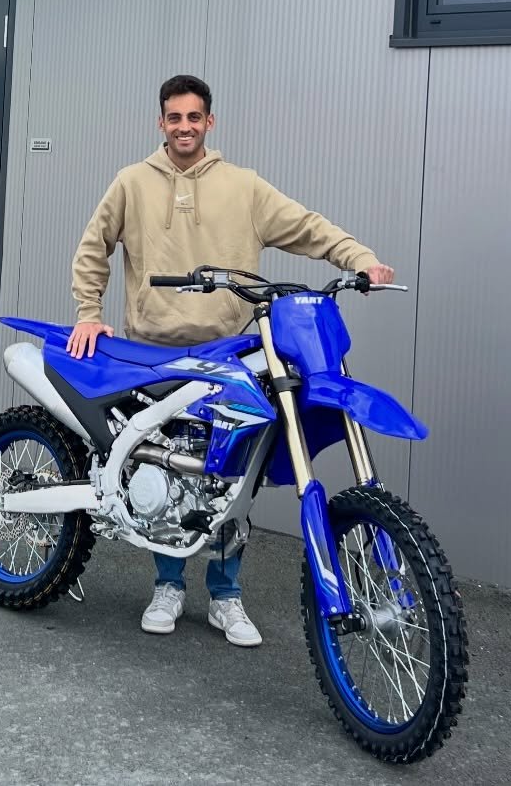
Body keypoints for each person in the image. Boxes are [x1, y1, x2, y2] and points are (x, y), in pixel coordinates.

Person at [68, 73, 394, 647]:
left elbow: (307, 228)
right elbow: (94, 246)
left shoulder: (244, 187)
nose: (184, 127)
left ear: (209, 122)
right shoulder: (131, 182)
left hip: (231, 353)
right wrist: (88, 313)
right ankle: (167, 587)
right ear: (161, 122)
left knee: (231, 477)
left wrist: (360, 259)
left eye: (194, 117)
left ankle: (225, 595)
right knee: (167, 469)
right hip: (156, 352)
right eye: (174, 117)